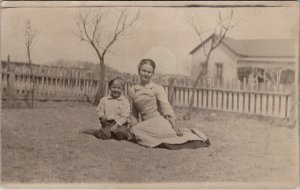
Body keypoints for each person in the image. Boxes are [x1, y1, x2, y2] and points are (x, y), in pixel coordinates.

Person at [128, 59, 210, 150]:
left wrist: (174, 125)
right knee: (134, 129)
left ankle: (163, 139)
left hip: (159, 122)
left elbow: (166, 107)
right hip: (146, 125)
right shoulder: (132, 90)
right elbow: (133, 114)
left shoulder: (157, 88)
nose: (146, 74)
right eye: (144, 71)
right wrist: (132, 126)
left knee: (135, 131)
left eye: (149, 72)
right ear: (139, 70)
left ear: (152, 73)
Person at [93, 76, 131, 140]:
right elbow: (100, 110)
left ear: (122, 89)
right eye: (114, 87)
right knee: (102, 136)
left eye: (119, 88)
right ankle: (99, 132)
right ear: (110, 87)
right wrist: (102, 115)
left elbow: (125, 116)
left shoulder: (125, 101)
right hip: (108, 123)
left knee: (120, 136)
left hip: (121, 124)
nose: (116, 90)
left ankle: (117, 133)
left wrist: (117, 125)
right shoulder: (104, 100)